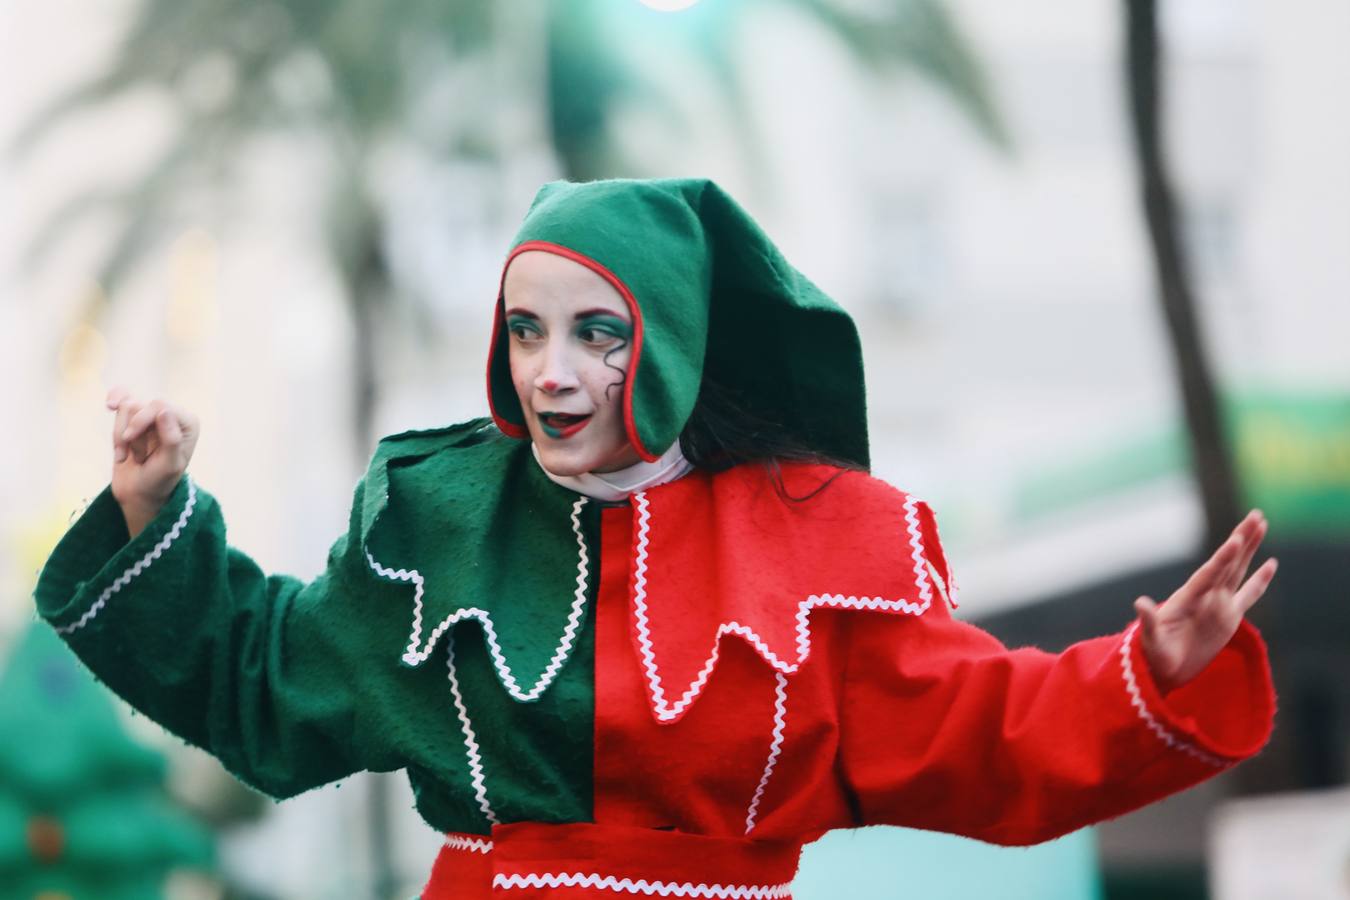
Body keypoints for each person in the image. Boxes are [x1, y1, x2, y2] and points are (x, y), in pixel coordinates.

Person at [35, 178, 1277, 899]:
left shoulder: (812, 539)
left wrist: (1146, 673)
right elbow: (268, 685)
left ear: (670, 339)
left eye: (597, 331)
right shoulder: (439, 522)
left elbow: (972, 731)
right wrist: (155, 510)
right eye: (526, 330)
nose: (552, 372)